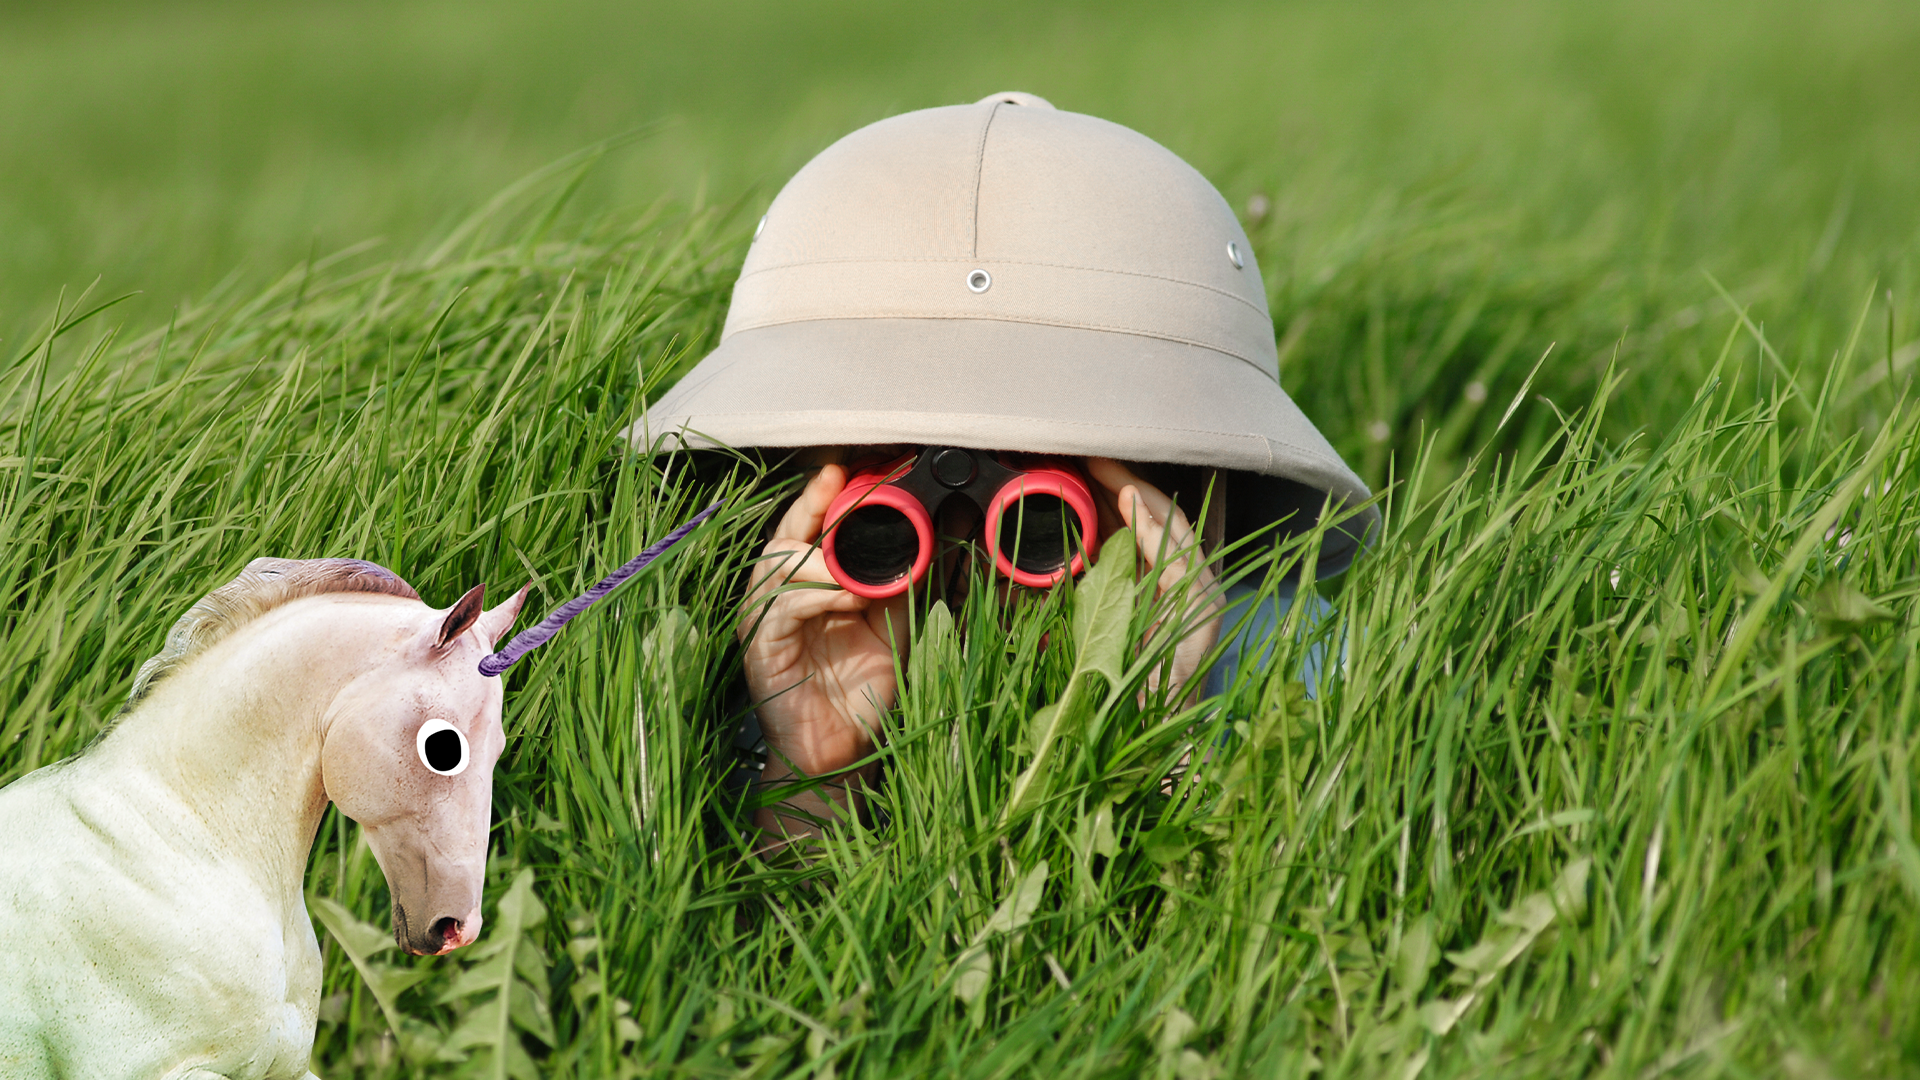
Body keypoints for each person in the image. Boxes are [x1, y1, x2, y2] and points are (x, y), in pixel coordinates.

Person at [631, 92, 1376, 842]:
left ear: (1173, 491)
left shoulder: (1301, 666)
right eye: (889, 509)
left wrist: (1152, 731)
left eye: (1040, 517)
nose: (966, 546)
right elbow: (757, 959)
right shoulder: (713, 684)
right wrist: (815, 765)